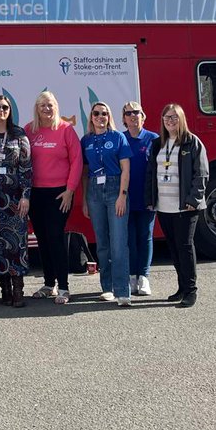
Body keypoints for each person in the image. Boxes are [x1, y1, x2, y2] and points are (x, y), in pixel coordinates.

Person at [144, 103, 209, 308]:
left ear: (181, 119)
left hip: (185, 207)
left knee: (185, 247)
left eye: (174, 117)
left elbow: (202, 174)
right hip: (164, 206)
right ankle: (181, 287)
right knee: (173, 247)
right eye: (166, 118)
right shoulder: (157, 144)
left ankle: (191, 291)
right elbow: (150, 174)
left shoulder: (192, 143)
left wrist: (193, 200)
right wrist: (150, 199)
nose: (170, 121)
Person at [25, 90, 81, 304]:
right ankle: (49, 284)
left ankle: (64, 287)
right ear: (37, 109)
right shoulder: (30, 130)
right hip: (36, 193)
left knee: (55, 238)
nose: (47, 109)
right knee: (42, 239)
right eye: (42, 106)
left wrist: (70, 190)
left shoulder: (66, 129)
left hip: (60, 193)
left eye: (50, 105)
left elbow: (76, 161)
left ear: (56, 107)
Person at [0, 94, 32, 307]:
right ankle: (5, 290)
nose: (1, 110)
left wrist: (26, 196)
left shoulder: (19, 134)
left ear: (10, 110)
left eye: (5, 107)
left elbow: (26, 167)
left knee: (17, 243)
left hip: (15, 198)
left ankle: (18, 289)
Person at [80, 101, 132, 306]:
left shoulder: (118, 137)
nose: (100, 117)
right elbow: (84, 173)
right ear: (91, 117)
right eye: (96, 113)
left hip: (114, 189)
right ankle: (107, 288)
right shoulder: (86, 140)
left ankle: (122, 291)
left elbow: (126, 169)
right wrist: (84, 199)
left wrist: (122, 195)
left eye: (104, 113)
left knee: (118, 242)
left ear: (109, 117)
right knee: (102, 243)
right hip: (94, 192)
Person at [122, 101, 159, 296]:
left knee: (145, 237)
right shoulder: (120, 139)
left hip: (147, 198)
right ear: (124, 119)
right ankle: (131, 276)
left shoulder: (154, 139)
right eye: (129, 113)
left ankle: (144, 277)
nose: (133, 116)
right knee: (128, 238)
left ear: (143, 116)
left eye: (137, 113)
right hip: (125, 197)